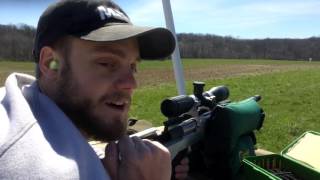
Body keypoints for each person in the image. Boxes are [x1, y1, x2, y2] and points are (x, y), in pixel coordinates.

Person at [0, 0, 189, 179]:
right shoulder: (38, 167)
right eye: (107, 63)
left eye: (132, 67)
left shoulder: (23, 103)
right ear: (51, 64)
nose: (131, 83)